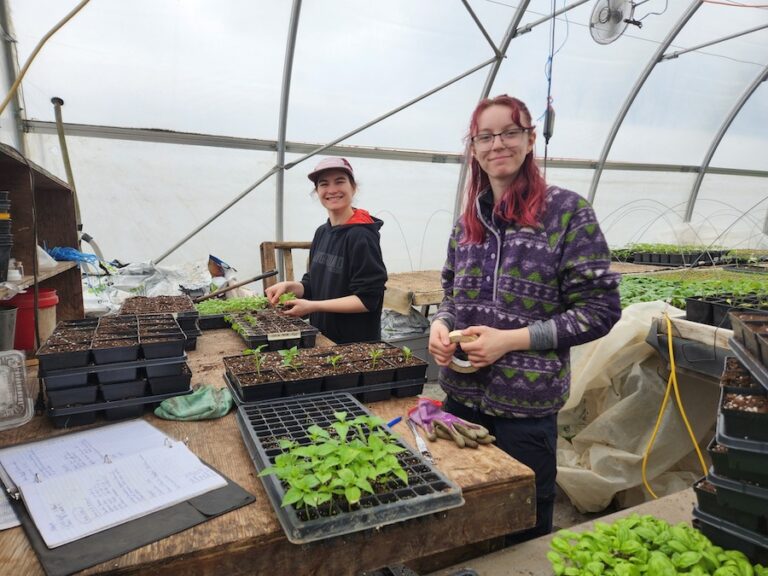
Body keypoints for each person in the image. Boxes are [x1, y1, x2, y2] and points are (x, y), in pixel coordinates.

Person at [428, 95, 621, 542]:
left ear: (531, 139)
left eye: (510, 132)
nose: (498, 144)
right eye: (486, 136)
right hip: (460, 398)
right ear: (473, 148)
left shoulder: (568, 214)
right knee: (464, 509)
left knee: (523, 519)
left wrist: (510, 340)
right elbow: (451, 293)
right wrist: (441, 324)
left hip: (526, 408)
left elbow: (601, 310)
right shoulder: (467, 223)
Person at [266, 157, 387, 344]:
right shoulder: (322, 232)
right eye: (324, 184)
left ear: (353, 187)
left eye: (340, 181)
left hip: (355, 346)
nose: (332, 190)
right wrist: (290, 286)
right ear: (317, 191)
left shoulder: (362, 236)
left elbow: (367, 300)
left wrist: (312, 306)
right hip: (323, 339)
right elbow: (313, 284)